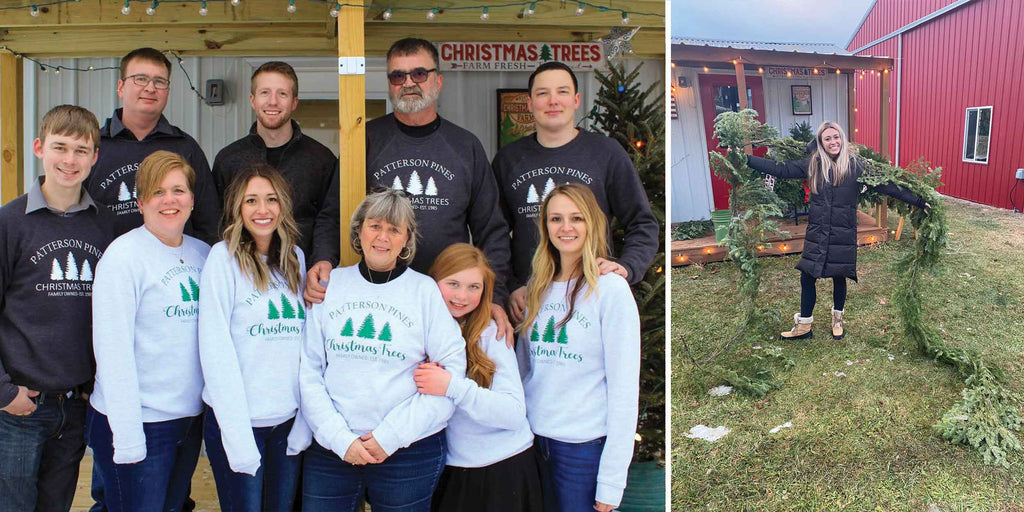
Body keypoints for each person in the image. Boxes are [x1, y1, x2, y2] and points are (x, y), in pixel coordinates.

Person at [304, 37, 514, 342]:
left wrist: (496, 296)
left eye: (419, 74)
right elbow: (333, 213)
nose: (408, 83)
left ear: (438, 81)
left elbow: (491, 230)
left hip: (450, 302)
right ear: (389, 84)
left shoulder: (465, 146)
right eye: (397, 76)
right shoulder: (365, 139)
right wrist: (322, 258)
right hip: (378, 296)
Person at [299, 189, 467, 512]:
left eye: (394, 229)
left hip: (408, 452)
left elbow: (450, 374)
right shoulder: (332, 286)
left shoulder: (424, 292)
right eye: (375, 225)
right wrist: (340, 439)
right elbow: (309, 371)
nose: (383, 237)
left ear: (407, 239)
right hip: (332, 451)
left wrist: (390, 436)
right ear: (358, 230)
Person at [0, 105, 116, 511]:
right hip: (19, 407)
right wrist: (4, 392)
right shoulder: (9, 222)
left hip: (74, 406)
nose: (70, 160)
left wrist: (92, 385)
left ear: (95, 157)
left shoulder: (104, 228)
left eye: (81, 150)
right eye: (60, 147)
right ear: (38, 148)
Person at [88, 150, 211, 512]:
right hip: (139, 421)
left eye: (178, 190)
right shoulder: (123, 257)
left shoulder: (204, 254)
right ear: (141, 202)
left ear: (192, 199)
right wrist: (127, 437)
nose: (169, 200)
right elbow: (113, 352)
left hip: (187, 420)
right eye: (158, 192)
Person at [493, 61, 659, 324]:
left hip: (590, 297)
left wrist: (628, 266)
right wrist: (510, 286)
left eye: (562, 91)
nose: (552, 101)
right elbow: (495, 233)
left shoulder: (606, 153)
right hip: (529, 299)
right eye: (542, 93)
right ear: (529, 102)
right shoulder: (508, 160)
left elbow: (642, 221)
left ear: (576, 100)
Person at [746, 121, 930, 340]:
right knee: (807, 275)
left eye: (836, 137)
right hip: (818, 232)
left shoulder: (855, 166)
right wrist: (745, 158)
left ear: (842, 139)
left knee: (839, 276)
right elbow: (781, 169)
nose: (833, 142)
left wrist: (918, 200)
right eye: (827, 139)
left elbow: (887, 185)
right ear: (820, 143)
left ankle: (838, 319)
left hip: (843, 232)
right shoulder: (813, 164)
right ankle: (804, 325)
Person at [518, 183, 640, 512]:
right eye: (556, 219)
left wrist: (612, 482)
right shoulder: (537, 287)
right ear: (545, 226)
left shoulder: (610, 290)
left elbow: (625, 390)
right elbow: (525, 370)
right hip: (531, 443)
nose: (566, 228)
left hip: (583, 451)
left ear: (592, 224)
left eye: (576, 218)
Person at [198, 164, 312, 511]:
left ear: (283, 206)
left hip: (286, 423)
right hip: (238, 422)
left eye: (271, 200)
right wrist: (237, 437)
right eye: (251, 201)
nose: (262, 210)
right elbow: (215, 349)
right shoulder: (223, 259)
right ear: (238, 208)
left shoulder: (295, 258)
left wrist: (303, 422)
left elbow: (307, 347)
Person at [413, 244, 541, 512]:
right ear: (433, 282)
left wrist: (452, 387)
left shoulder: (491, 333)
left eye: (474, 287)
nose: (462, 296)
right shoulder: (418, 330)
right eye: (453, 284)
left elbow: (514, 413)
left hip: (504, 468)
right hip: (449, 469)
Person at [212, 61, 340, 270]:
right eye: (264, 93)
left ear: (294, 102)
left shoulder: (321, 159)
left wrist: (322, 261)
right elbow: (218, 221)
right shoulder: (228, 159)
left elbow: (330, 220)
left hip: (303, 277)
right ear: (252, 100)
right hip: (242, 275)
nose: (273, 101)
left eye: (282, 94)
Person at [85, 47, 220, 244]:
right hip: (108, 267)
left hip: (176, 269)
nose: (150, 88)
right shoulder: (94, 146)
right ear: (121, 87)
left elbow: (210, 223)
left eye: (159, 81)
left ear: (167, 91)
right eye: (140, 79)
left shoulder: (185, 148)